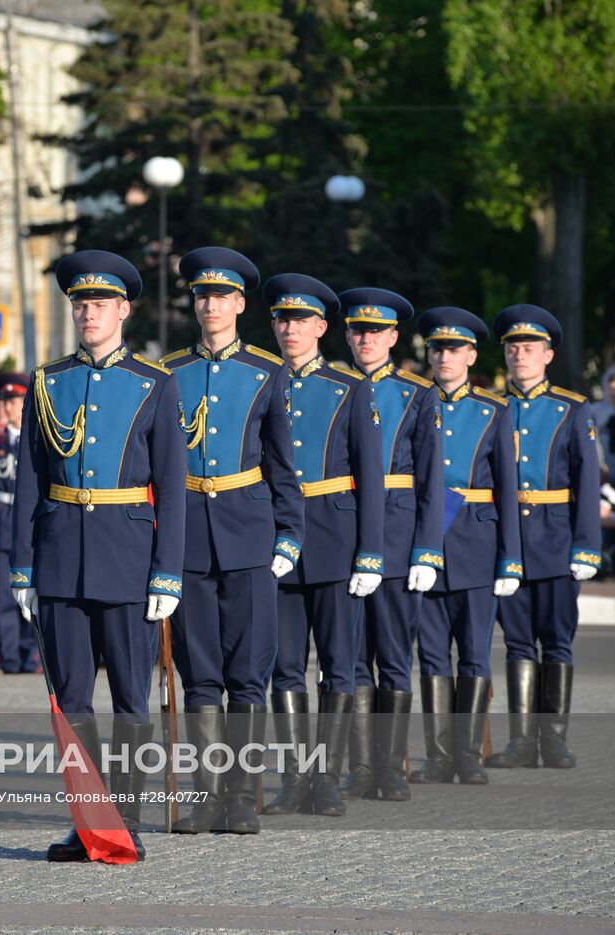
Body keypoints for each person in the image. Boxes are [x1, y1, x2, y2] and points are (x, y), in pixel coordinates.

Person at [10, 249, 186, 861]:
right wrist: (22, 563)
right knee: (71, 699)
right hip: (60, 553)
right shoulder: (47, 381)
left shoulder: (155, 384)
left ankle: (126, 821)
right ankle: (89, 823)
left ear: (124, 310)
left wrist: (167, 570)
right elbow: (29, 479)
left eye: (100, 303)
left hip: (129, 555)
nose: (89, 312)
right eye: (81, 303)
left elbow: (171, 482)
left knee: (133, 699)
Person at [158, 246, 303, 835]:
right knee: (200, 674)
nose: (210, 304)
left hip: (248, 533)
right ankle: (208, 795)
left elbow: (281, 463)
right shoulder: (167, 372)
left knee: (247, 672)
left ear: (241, 304)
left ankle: (241, 796)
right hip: (189, 536)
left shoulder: (267, 372)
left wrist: (288, 534)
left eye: (221, 295)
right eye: (201, 294)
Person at [257, 273, 384, 819]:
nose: (291, 329)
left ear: (321, 328)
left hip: (333, 536)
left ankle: (326, 780)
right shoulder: (261, 381)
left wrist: (371, 551)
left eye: (302, 320)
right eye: (283, 319)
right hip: (274, 538)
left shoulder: (348, 388)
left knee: (339, 665)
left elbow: (371, 476)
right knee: (285, 667)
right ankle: (295, 779)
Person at [338, 287, 443, 803]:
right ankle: (362, 767)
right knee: (354, 658)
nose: (365, 339)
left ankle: (392, 766)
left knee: (395, 657)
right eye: (358, 330)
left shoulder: (417, 394)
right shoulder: (334, 387)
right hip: (347, 534)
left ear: (394, 338)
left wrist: (428, 550)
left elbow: (429, 481)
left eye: (375, 331)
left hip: (399, 540)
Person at [486, 305, 601, 769]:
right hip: (507, 540)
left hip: (555, 537)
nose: (520, 356)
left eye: (529, 348)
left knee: (556, 640)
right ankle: (520, 740)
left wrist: (586, 544)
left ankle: (553, 738)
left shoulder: (571, 409)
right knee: (516, 641)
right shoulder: (491, 406)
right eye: (513, 348)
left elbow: (587, 480)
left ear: (548, 354)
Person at [412, 308, 521, 784]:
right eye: (437, 348)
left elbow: (508, 487)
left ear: (472, 355)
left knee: (474, 652)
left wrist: (510, 557)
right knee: (432, 653)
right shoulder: (416, 402)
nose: (444, 356)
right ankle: (439, 755)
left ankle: (468, 754)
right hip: (425, 541)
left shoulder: (494, 411)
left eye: (454, 348)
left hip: (477, 538)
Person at [0, 373, 32, 673]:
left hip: (31, 525)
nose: (11, 407)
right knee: (2, 597)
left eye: (15, 401)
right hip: (2, 523)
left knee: (32, 593)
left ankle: (32, 656)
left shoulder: (39, 435)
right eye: (7, 402)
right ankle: (9, 657)